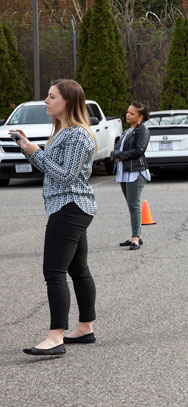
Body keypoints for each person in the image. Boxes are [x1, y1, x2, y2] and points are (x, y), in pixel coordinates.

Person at [10, 79, 98, 356]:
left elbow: (65, 176)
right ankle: (85, 328)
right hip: (70, 206)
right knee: (78, 270)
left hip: (69, 206)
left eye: (51, 97)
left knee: (54, 272)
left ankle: (55, 337)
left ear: (68, 102)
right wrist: (28, 148)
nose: (46, 101)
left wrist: (37, 152)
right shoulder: (63, 132)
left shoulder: (78, 135)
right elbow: (51, 169)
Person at [110, 101, 151, 251]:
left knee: (134, 206)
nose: (128, 115)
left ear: (140, 117)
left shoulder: (143, 131)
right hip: (123, 171)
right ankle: (137, 235)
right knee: (131, 206)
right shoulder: (126, 131)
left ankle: (135, 237)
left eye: (132, 113)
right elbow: (119, 148)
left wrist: (120, 155)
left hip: (136, 172)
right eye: (128, 112)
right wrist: (114, 154)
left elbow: (139, 150)